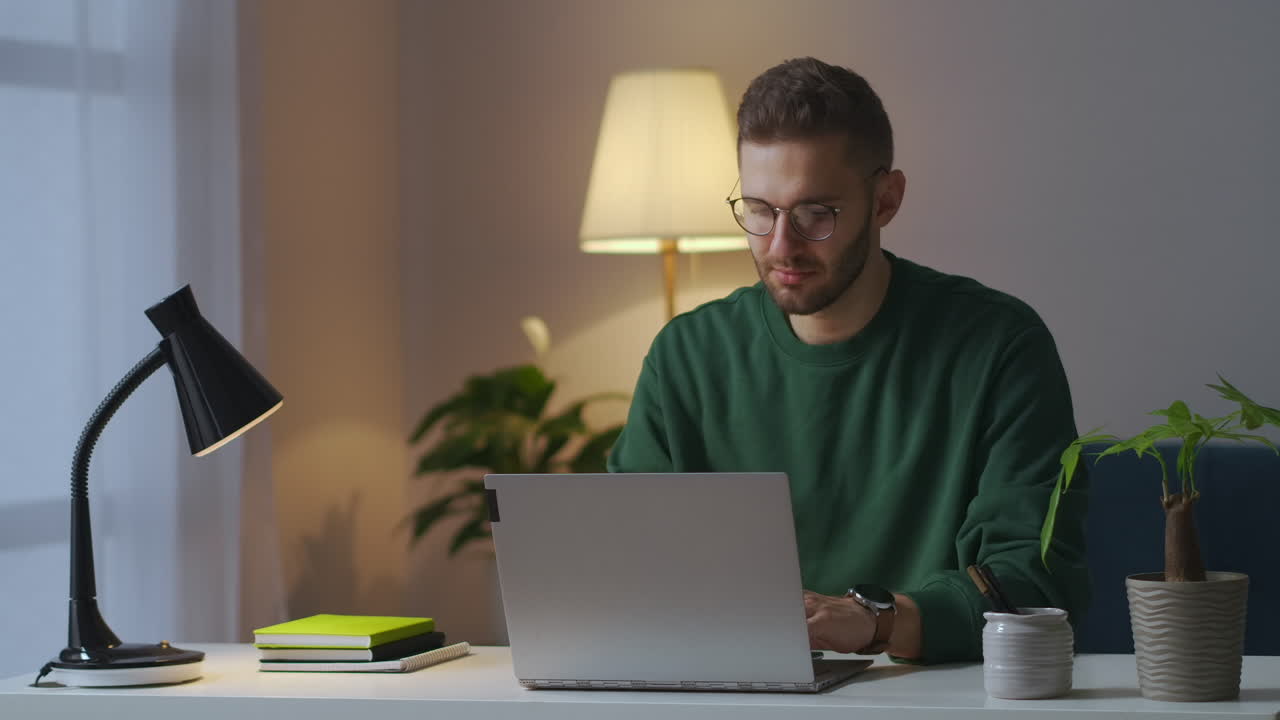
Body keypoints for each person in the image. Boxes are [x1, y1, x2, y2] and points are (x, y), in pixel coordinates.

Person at [607, 57, 1089, 663]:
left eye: (816, 214)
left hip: (943, 697)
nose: (781, 245)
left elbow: (1032, 579)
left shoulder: (999, 346)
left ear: (886, 199)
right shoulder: (686, 357)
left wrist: (874, 621)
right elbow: (627, 566)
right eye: (759, 209)